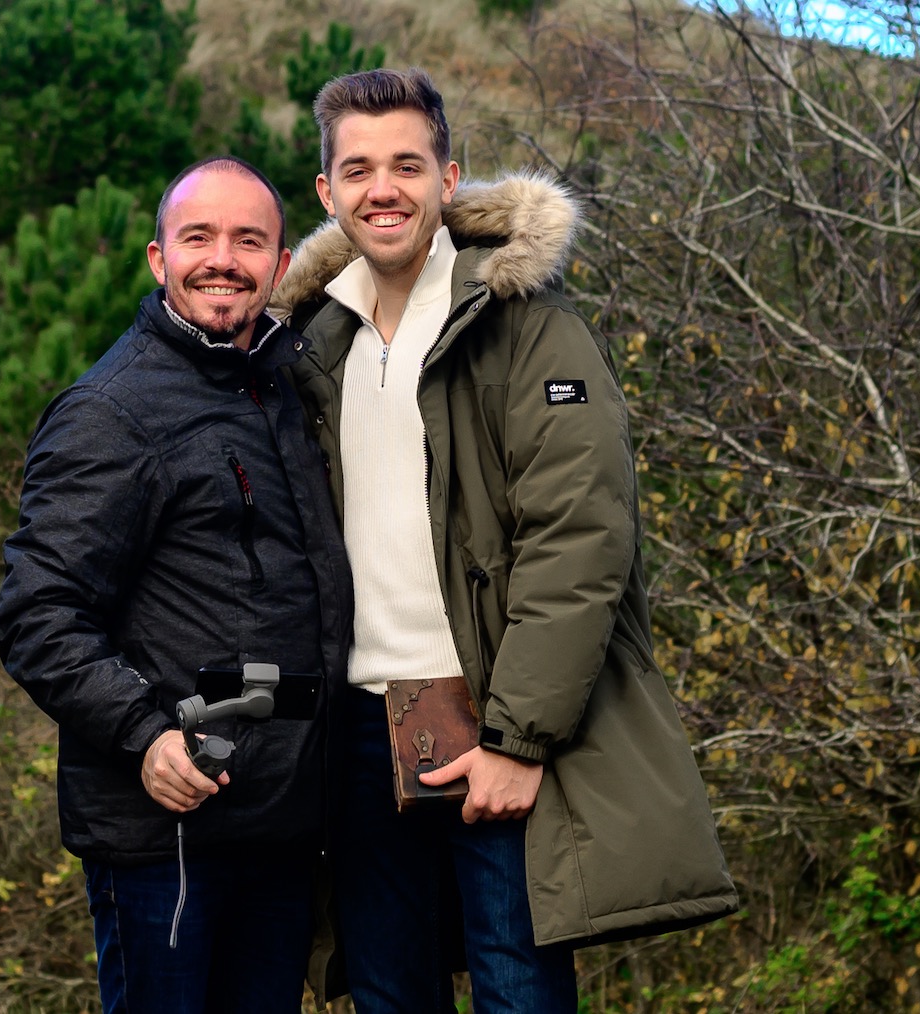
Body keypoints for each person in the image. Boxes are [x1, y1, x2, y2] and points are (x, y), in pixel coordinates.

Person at [271, 68, 740, 1013]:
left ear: (450, 178)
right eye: (358, 170)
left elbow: (581, 543)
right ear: (327, 194)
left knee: (520, 993)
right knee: (389, 996)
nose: (383, 189)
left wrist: (518, 739)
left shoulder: (529, 325)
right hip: (362, 739)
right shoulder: (311, 345)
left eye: (409, 164)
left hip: (493, 719)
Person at [0, 156, 352, 1014]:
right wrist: (146, 734)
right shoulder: (111, 412)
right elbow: (36, 614)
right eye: (199, 237)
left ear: (279, 261)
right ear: (160, 260)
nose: (222, 258)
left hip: (277, 827)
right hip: (166, 834)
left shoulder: (282, 390)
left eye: (248, 240)